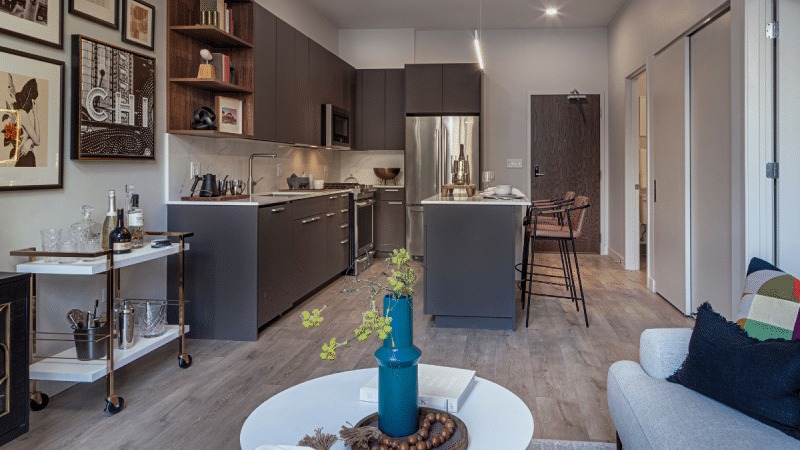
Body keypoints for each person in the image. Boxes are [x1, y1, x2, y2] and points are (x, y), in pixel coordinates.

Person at [14, 78, 40, 167]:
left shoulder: (12, 115)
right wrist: (35, 113)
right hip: (26, 157)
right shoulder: (22, 113)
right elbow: (37, 141)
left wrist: (29, 141)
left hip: (22, 158)